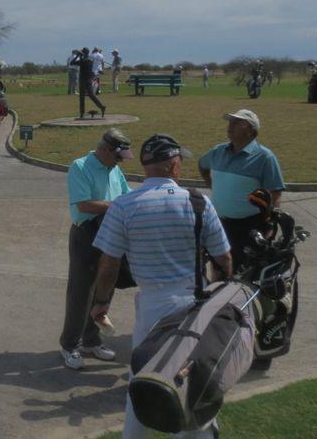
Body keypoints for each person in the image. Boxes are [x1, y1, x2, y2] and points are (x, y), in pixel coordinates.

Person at [90, 134, 233, 439]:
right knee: (194, 379)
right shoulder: (197, 202)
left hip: (152, 305)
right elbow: (223, 258)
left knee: (142, 378)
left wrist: (101, 303)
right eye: (180, 161)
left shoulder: (123, 206)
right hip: (195, 302)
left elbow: (108, 266)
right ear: (172, 165)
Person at [59, 129, 133, 370]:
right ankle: (70, 345)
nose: (120, 161)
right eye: (118, 156)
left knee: (105, 287)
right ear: (105, 149)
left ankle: (91, 340)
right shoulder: (80, 167)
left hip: (110, 230)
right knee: (81, 291)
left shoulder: (114, 168)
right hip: (86, 233)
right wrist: (118, 205)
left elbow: (126, 195)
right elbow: (85, 205)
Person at [198, 110, 285, 271]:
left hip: (248, 226)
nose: (230, 126)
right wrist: (211, 183)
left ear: (251, 130)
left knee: (244, 272)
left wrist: (271, 225)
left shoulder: (264, 157)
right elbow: (202, 165)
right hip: (218, 223)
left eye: (237, 123)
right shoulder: (218, 151)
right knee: (218, 269)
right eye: (230, 121)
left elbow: (275, 193)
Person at [77, 47, 106, 118]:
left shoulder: (83, 60)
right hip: (89, 78)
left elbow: (73, 63)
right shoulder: (90, 59)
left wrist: (78, 56)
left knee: (82, 97)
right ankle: (101, 106)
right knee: (91, 95)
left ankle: (82, 113)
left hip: (83, 79)